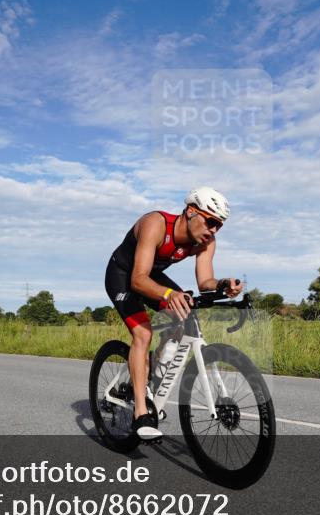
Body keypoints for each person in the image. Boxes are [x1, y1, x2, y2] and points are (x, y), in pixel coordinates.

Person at [104, 187, 243, 441]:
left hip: (152, 275)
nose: (213, 230)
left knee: (184, 316)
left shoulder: (205, 241)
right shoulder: (155, 224)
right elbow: (137, 280)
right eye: (210, 221)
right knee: (143, 333)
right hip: (123, 275)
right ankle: (141, 413)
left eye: (219, 225)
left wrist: (223, 284)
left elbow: (205, 282)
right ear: (191, 212)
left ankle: (152, 375)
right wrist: (169, 294)